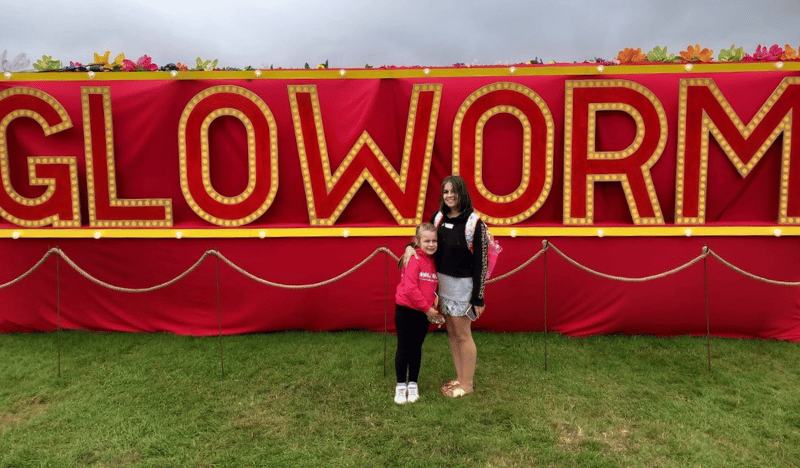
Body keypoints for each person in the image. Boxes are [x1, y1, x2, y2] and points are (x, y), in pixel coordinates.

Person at [404, 175, 488, 398]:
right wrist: (409, 247)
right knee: (452, 333)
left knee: (463, 334)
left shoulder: (474, 223)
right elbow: (426, 240)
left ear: (462, 193)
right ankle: (459, 378)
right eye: (446, 192)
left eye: (454, 191)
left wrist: (478, 297)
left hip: (462, 287)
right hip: (441, 285)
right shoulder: (439, 217)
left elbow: (482, 262)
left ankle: (467, 383)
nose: (449, 196)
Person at [393, 223, 445, 405]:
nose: (431, 244)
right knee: (404, 347)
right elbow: (410, 288)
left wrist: (433, 301)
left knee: (416, 348)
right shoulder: (414, 258)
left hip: (422, 313)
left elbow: (430, 285)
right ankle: (400, 385)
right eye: (427, 241)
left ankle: (413, 383)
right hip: (406, 310)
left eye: (434, 241)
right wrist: (428, 309)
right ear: (417, 242)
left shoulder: (433, 260)